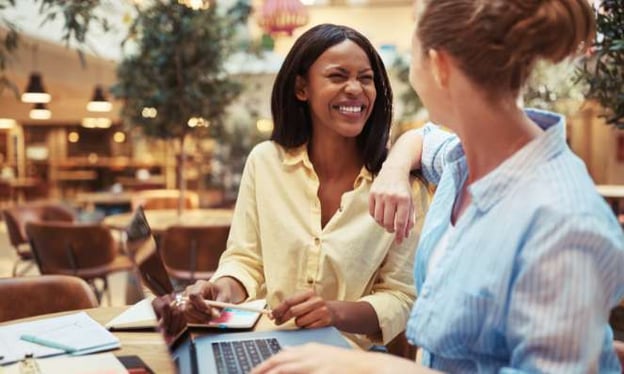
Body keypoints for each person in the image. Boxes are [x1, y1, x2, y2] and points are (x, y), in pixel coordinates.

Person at [252, 0, 624, 373]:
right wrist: (394, 169)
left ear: (440, 66)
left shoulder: (564, 222)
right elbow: (424, 141)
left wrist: (370, 368)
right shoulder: (461, 162)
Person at [156, 23, 427, 349]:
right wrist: (219, 290)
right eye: (338, 76)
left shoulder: (403, 185)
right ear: (302, 88)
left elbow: (401, 295)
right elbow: (246, 260)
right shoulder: (265, 162)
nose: (355, 88)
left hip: (349, 361)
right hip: (267, 344)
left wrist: (334, 312)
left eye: (365, 78)